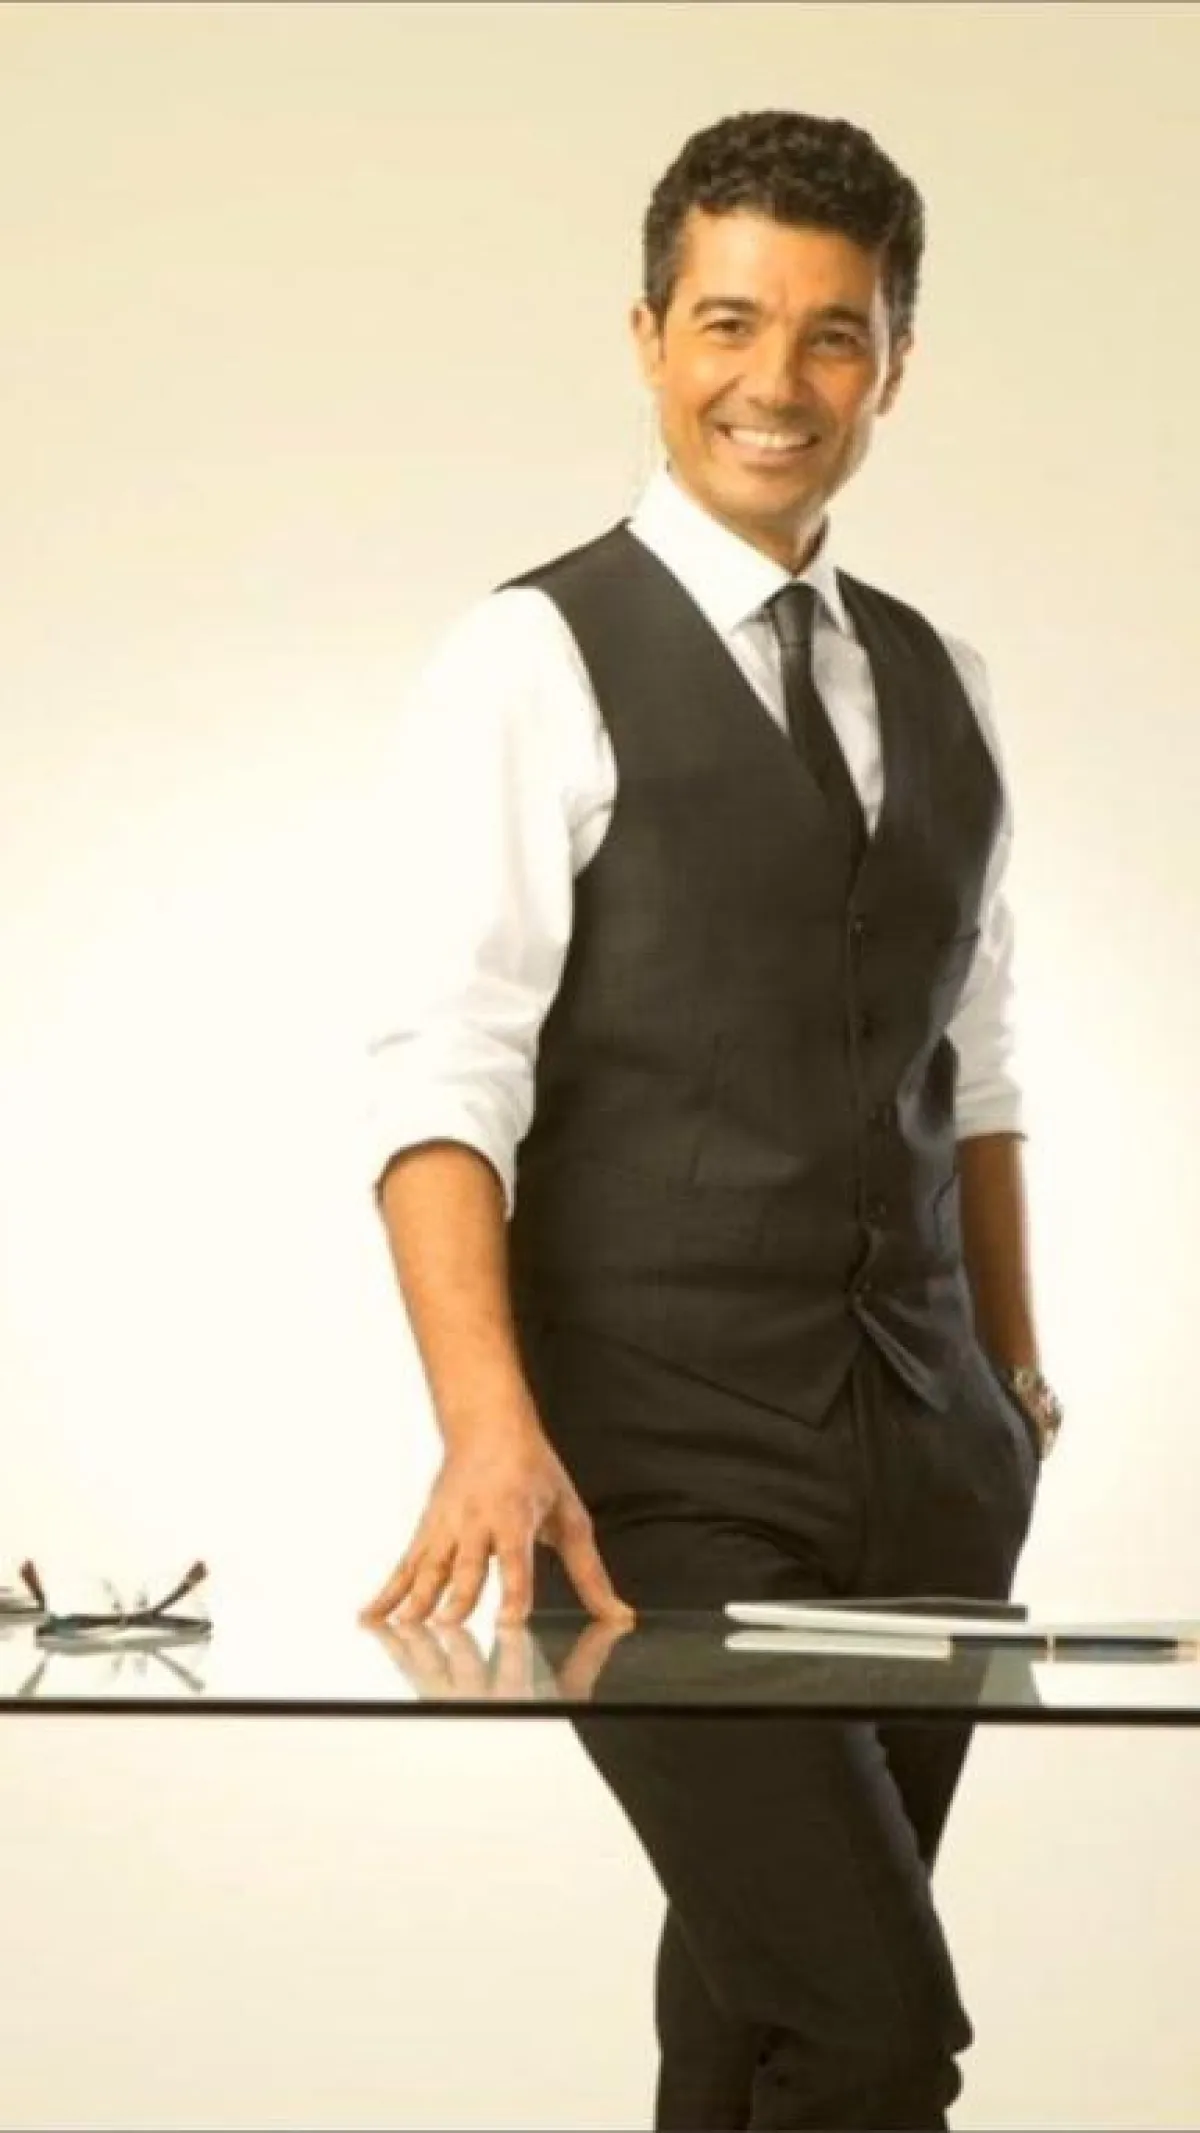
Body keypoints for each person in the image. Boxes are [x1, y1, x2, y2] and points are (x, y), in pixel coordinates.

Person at [360, 108, 1063, 2132]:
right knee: (872, 2028)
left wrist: (1012, 1383)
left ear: (894, 366)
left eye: (836, 334)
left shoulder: (944, 677)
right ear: (651, 337)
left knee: (759, 2018)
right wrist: (488, 1427)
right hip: (651, 1478)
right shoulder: (530, 658)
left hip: (928, 1469)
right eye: (732, 322)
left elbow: (977, 1064)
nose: (780, 380)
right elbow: (445, 1071)